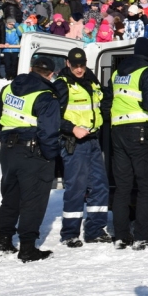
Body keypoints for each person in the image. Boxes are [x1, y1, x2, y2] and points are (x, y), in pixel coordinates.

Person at [0, 55, 61, 262]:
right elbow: (48, 132)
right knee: (33, 200)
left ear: (31, 68)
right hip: (33, 152)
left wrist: (5, 138)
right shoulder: (46, 95)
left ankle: (4, 242)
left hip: (8, 150)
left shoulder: (8, 88)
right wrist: (50, 156)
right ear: (51, 74)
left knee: (10, 196)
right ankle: (28, 248)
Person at [106, 37, 148, 250]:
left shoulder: (118, 72)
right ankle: (142, 236)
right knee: (146, 187)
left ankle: (121, 236)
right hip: (140, 131)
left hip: (117, 132)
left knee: (122, 187)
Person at [55, 47, 112, 248]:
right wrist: (71, 128)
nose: (79, 69)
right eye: (75, 65)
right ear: (68, 64)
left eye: (82, 65)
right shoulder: (62, 85)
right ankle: (70, 233)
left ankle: (95, 230)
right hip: (74, 142)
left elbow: (102, 105)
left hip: (93, 141)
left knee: (99, 186)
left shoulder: (92, 81)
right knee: (76, 188)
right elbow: (52, 117)